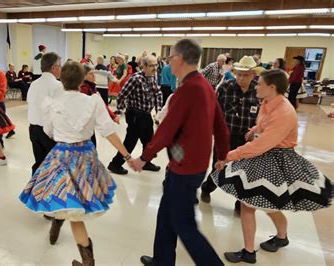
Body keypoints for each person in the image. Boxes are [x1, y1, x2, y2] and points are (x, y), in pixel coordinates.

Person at [20, 61, 135, 266]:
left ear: (61, 80)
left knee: (62, 196)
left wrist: (64, 133)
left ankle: (80, 254)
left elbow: (48, 131)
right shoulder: (93, 102)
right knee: (75, 203)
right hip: (85, 156)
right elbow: (108, 131)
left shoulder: (53, 103)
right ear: (82, 79)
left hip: (61, 153)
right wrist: (127, 156)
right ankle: (72, 244)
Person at [211, 69, 332, 264]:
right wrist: (254, 129)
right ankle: (281, 237)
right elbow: (264, 125)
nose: (255, 86)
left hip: (275, 158)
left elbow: (261, 146)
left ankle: (249, 252)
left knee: (249, 205)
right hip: (266, 154)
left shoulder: (285, 111)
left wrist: (228, 156)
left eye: (259, 84)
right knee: (262, 204)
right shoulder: (267, 102)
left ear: (272, 87)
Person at [134, 39, 229, 266]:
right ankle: (162, 260)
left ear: (180, 59)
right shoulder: (204, 85)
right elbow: (221, 127)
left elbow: (166, 129)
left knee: (184, 225)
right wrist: (222, 155)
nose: (168, 64)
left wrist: (144, 157)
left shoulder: (188, 89)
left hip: (185, 169)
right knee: (166, 216)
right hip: (191, 165)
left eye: (169, 59)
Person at [200, 55, 259, 213]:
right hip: (225, 136)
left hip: (248, 139)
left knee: (244, 172)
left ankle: (240, 205)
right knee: (219, 167)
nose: (241, 78)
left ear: (253, 74)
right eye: (238, 74)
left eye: (245, 75)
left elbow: (264, 115)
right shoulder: (225, 87)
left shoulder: (259, 90)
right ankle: (207, 188)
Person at [107, 55, 163, 175]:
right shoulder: (135, 78)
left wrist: (159, 109)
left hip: (146, 115)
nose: (155, 68)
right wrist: (119, 111)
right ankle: (115, 164)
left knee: (149, 141)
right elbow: (122, 94)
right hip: (135, 116)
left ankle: (146, 162)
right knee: (130, 142)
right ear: (144, 66)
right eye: (152, 65)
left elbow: (157, 93)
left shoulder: (153, 77)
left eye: (156, 65)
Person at [27, 52, 64, 176]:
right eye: (60, 66)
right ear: (54, 68)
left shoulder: (33, 84)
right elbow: (59, 111)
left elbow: (30, 103)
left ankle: (35, 191)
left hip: (33, 129)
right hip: (49, 132)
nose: (61, 69)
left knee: (39, 163)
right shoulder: (57, 86)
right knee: (53, 166)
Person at [80, 64, 120, 146]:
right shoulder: (84, 88)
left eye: (94, 73)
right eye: (91, 74)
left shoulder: (91, 86)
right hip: (84, 125)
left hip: (89, 124)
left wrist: (113, 116)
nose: (94, 76)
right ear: (84, 76)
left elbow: (101, 103)